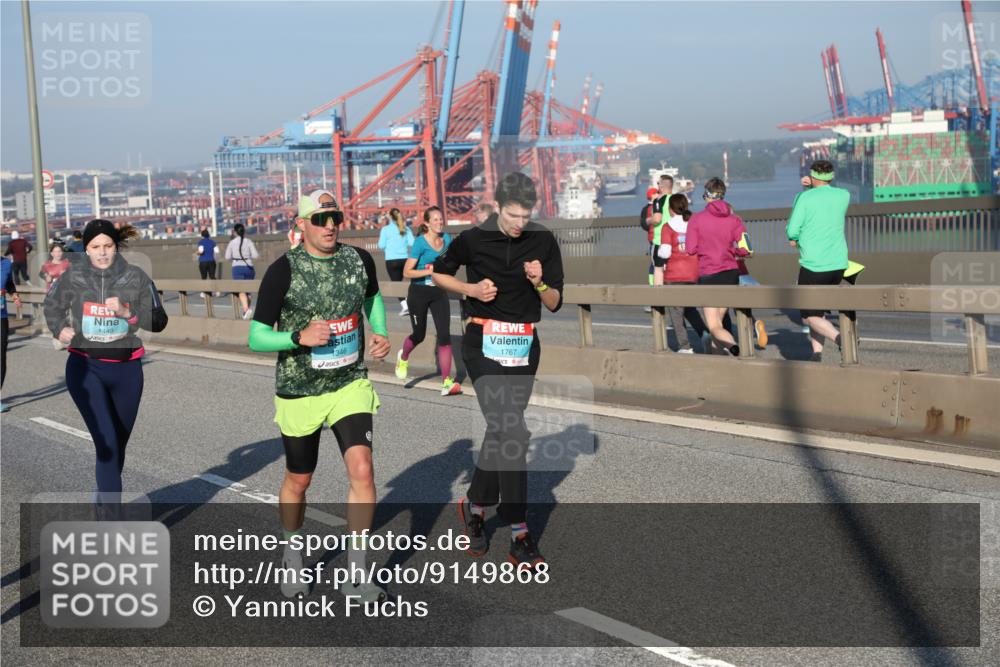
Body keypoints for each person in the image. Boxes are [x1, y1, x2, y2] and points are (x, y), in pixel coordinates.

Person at [248, 192, 391, 602]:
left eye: (336, 217)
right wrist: (298, 336)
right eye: (321, 218)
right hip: (300, 389)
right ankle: (292, 555)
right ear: (302, 224)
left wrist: (378, 331)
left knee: (362, 470)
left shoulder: (358, 260)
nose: (330, 225)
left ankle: (357, 573)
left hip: (348, 383)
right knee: (299, 479)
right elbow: (256, 336)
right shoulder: (283, 271)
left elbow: (372, 298)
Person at [432, 172, 564, 569]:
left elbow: (556, 302)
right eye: (512, 214)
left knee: (502, 429)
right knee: (515, 431)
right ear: (498, 206)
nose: (518, 223)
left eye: (525, 215)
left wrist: (540, 284)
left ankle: (474, 505)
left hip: (524, 346)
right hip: (482, 343)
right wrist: (471, 291)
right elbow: (438, 273)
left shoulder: (543, 241)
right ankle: (520, 532)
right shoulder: (473, 239)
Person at [42, 219, 168, 503]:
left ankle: (103, 499)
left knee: (117, 446)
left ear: (116, 246)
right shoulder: (72, 277)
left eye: (107, 246)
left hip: (128, 371)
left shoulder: (136, 277)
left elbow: (159, 320)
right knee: (107, 445)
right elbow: (51, 305)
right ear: (85, 249)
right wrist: (58, 327)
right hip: (86, 368)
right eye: (95, 246)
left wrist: (128, 314)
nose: (102, 252)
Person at [787, 160, 850, 362]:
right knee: (819, 312)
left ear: (812, 176)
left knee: (808, 315)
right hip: (839, 264)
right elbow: (824, 203)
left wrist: (804, 190)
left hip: (814, 265)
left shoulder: (805, 198)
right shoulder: (844, 195)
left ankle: (842, 339)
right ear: (831, 177)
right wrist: (810, 188)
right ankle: (816, 353)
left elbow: (792, 229)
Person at [394, 206, 461, 396]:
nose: (440, 222)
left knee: (445, 336)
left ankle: (447, 382)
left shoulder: (447, 239)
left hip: (438, 291)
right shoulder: (420, 243)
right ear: (427, 223)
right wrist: (430, 271)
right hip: (418, 292)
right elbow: (407, 272)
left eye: (441, 219)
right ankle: (404, 356)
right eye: (436, 219)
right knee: (419, 334)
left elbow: (451, 261)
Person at [686, 177, 748, 356]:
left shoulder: (696, 220)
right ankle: (717, 361)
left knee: (713, 326)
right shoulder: (735, 219)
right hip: (730, 273)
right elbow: (746, 248)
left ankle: (734, 347)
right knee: (718, 321)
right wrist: (733, 252)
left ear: (707, 195)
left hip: (709, 273)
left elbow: (690, 249)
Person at [660, 194, 707, 353]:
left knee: (676, 313)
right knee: (689, 309)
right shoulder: (695, 224)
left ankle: (685, 346)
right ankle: (705, 334)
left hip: (675, 275)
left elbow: (665, 253)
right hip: (694, 273)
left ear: (671, 209)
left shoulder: (668, 227)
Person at [377, 207, 414, 317]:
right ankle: (411, 303)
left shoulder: (385, 229)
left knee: (396, 284)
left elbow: (381, 245)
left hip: (391, 260)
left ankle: (405, 306)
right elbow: (412, 243)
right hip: (405, 259)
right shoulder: (406, 229)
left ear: (390, 217)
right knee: (408, 284)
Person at [225, 222, 259, 319]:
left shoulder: (232, 242)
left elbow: (227, 256)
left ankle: (246, 309)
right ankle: (246, 312)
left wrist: (236, 257)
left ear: (235, 232)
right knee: (247, 291)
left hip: (237, 267)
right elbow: (255, 255)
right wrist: (247, 257)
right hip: (249, 267)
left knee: (240, 289)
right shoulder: (249, 241)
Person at [1, 256, 21, 413]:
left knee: (1, 357)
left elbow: (8, 283)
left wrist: (14, 295)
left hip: (1, 316)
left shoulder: (6, 263)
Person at [195, 229, 219, 296]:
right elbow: (217, 251)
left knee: (204, 277)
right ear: (208, 235)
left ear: (202, 235)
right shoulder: (212, 242)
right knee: (212, 276)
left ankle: (204, 292)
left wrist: (197, 252)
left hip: (203, 261)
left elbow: (201, 251)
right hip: (211, 261)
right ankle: (216, 291)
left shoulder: (201, 242)